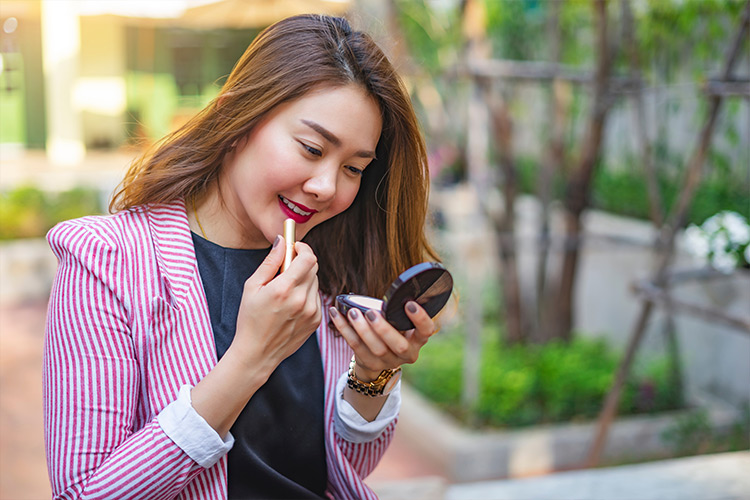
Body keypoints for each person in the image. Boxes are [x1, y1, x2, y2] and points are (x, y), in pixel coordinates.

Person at [44, 13, 442, 500]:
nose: (326, 187)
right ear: (240, 121)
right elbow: (83, 492)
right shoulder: (108, 261)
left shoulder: (325, 267)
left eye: (354, 169)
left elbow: (342, 468)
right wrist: (251, 357)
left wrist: (371, 375)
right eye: (312, 148)